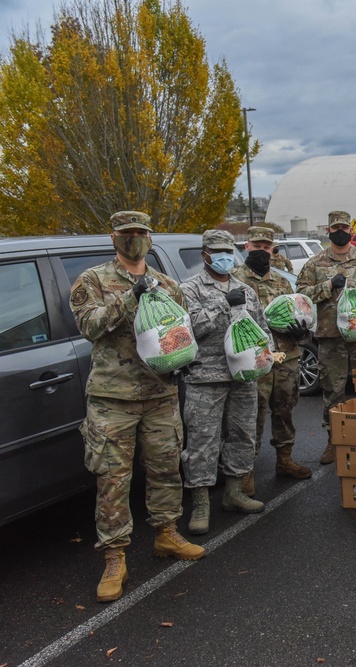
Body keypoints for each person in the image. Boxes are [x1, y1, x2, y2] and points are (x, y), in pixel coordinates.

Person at [70, 211, 205, 602]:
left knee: (166, 467)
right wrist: (131, 296)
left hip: (160, 394)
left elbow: (180, 330)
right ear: (113, 238)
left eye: (140, 233)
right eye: (126, 234)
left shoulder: (166, 284)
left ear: (149, 237)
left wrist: (184, 357)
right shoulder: (93, 280)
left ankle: (166, 534)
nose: (134, 240)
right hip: (114, 399)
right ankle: (115, 556)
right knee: (113, 479)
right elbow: (89, 326)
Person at [181, 229, 271, 535]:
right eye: (216, 251)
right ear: (204, 254)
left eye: (227, 251)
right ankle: (201, 505)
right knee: (202, 441)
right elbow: (189, 329)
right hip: (206, 376)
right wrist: (223, 305)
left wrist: (267, 355)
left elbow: (261, 328)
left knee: (242, 434)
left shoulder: (245, 289)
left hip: (243, 376)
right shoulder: (189, 289)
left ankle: (234, 492)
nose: (223, 257)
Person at [296, 211, 356, 462]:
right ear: (328, 231)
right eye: (335, 228)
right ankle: (334, 441)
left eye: (344, 227)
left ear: (351, 230)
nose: (340, 231)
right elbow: (302, 298)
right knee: (332, 392)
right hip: (331, 339)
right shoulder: (315, 264)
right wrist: (328, 286)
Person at [232, 226, 313, 496]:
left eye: (267, 247)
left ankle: (285, 459)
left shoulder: (281, 283)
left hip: (287, 356)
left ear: (273, 249)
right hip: (255, 361)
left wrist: (303, 334)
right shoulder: (235, 282)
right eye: (257, 246)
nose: (262, 251)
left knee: (285, 408)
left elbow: (297, 313)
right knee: (252, 414)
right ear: (247, 246)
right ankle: (246, 471)